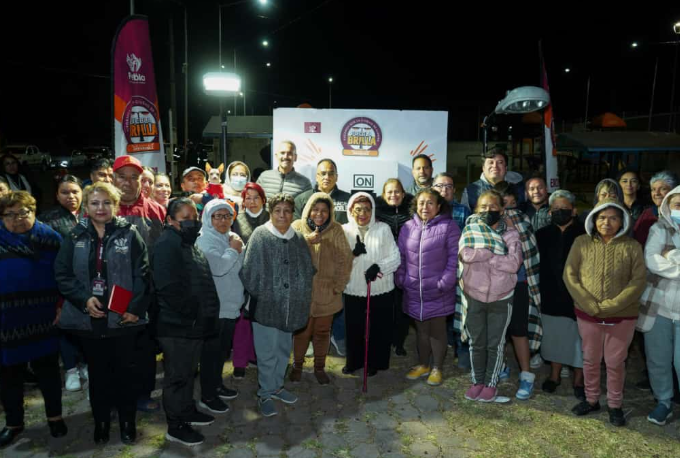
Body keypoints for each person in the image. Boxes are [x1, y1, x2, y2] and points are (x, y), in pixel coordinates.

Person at [55, 182, 150, 445]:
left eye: (107, 202)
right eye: (95, 203)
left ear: (115, 206)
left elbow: (142, 273)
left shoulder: (130, 233)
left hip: (123, 318)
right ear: (86, 206)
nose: (101, 208)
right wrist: (83, 299)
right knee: (98, 375)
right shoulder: (74, 236)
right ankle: (102, 423)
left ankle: (128, 423)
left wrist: (134, 309)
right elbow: (62, 274)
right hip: (90, 318)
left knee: (125, 374)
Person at [563, 198, 646, 427]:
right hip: (587, 313)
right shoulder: (581, 242)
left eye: (613, 218)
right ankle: (591, 400)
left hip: (622, 316)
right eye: (601, 217)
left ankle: (615, 405)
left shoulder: (632, 247)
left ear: (622, 222)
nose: (606, 223)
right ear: (593, 220)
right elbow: (570, 275)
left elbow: (638, 281)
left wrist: (612, 306)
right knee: (590, 359)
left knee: (615, 362)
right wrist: (589, 304)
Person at [0, 191, 67, 446]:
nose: (17, 219)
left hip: (44, 316)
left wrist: (61, 305)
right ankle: (14, 423)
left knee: (48, 371)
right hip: (7, 320)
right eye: (9, 214)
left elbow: (65, 274)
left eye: (23, 212)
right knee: (9, 376)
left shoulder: (51, 239)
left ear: (34, 211)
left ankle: (55, 418)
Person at [240, 193, 316, 417]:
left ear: (293, 214)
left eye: (287, 211)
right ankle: (264, 392)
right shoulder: (260, 235)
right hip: (266, 307)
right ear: (270, 212)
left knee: (283, 349)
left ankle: (277, 386)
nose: (282, 215)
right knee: (266, 352)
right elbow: (249, 272)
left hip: (290, 308)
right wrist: (267, 294)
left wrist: (299, 296)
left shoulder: (298, 238)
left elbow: (307, 270)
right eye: (277, 211)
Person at [153, 198, 220, 446]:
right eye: (185, 218)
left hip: (192, 325)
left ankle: (187, 410)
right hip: (177, 326)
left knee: (189, 373)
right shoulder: (166, 244)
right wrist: (191, 314)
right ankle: (176, 425)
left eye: (194, 217)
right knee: (177, 376)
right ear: (171, 220)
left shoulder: (187, 243)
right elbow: (167, 288)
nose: (192, 222)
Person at [112, 155, 165, 413]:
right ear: (113, 179)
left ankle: (143, 394)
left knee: (144, 346)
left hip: (147, 291)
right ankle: (116, 396)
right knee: (116, 346)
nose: (128, 182)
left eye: (134, 177)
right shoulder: (103, 209)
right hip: (115, 291)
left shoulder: (155, 210)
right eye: (122, 177)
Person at [459, 190, 523, 403]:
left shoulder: (511, 235)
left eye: (493, 207)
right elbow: (465, 254)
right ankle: (477, 381)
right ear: (476, 210)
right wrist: (489, 253)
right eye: (483, 207)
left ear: (502, 210)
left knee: (495, 343)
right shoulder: (470, 229)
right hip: (474, 294)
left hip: (501, 297)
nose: (488, 211)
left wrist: (489, 257)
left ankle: (490, 383)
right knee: (476, 342)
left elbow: (514, 264)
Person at [396, 189, 460, 386]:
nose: (425, 207)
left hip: (438, 290)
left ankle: (437, 368)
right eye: (421, 203)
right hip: (414, 290)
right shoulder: (407, 227)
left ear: (438, 206)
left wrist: (444, 283)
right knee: (421, 331)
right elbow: (401, 256)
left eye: (430, 203)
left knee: (437, 331)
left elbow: (455, 258)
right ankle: (423, 365)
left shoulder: (449, 227)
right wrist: (401, 278)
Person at [291, 192, 353, 384]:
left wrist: (339, 285)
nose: (319, 214)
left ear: (330, 212)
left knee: (322, 332)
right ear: (308, 210)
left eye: (324, 210)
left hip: (328, 293)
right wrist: (306, 240)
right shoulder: (297, 227)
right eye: (315, 209)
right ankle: (297, 366)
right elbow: (287, 252)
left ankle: (319, 367)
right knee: (302, 333)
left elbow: (345, 259)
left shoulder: (336, 230)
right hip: (302, 293)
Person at [342, 192, 401, 376]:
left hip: (380, 288)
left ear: (373, 210)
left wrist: (379, 267)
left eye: (367, 209)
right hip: (353, 288)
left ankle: (376, 362)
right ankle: (354, 361)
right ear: (351, 210)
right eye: (358, 209)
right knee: (354, 328)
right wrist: (352, 254)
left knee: (379, 328)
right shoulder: (343, 230)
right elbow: (337, 261)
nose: (363, 213)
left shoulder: (383, 229)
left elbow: (395, 257)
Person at [38, 175, 88, 392]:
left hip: (88, 281)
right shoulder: (47, 220)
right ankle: (70, 368)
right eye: (65, 192)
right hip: (61, 282)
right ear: (57, 196)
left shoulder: (91, 212)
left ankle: (85, 363)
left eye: (75, 191)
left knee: (86, 324)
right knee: (65, 325)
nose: (71, 196)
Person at [535, 190, 586, 400]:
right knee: (554, 336)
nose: (559, 212)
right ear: (549, 212)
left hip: (578, 295)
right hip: (550, 294)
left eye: (564, 208)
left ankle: (579, 379)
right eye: (555, 209)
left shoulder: (585, 234)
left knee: (579, 339)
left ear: (574, 210)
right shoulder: (542, 234)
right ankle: (554, 375)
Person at [637, 185, 680, 426]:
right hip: (658, 309)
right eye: (677, 205)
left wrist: (670, 255)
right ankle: (664, 401)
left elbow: (662, 260)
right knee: (658, 359)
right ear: (668, 207)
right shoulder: (659, 229)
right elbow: (652, 261)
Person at [195, 199, 242, 414]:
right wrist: (233, 250)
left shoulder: (230, 237)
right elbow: (220, 268)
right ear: (208, 218)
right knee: (211, 354)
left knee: (221, 352)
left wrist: (235, 247)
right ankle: (208, 396)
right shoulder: (204, 240)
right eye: (218, 216)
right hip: (215, 308)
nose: (223, 220)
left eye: (227, 216)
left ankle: (217, 384)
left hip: (230, 304)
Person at [230, 182, 268, 379]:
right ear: (243, 201)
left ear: (263, 199)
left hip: (267, 277)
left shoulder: (271, 218)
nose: (252, 202)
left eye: (256, 197)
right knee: (242, 322)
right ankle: (239, 361)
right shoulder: (237, 220)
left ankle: (256, 356)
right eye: (248, 198)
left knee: (262, 320)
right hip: (242, 276)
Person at [375, 178, 413, 357]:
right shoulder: (376, 211)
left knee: (401, 306)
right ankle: (384, 338)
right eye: (389, 192)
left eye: (397, 191)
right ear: (384, 194)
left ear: (403, 194)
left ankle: (399, 341)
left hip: (406, 265)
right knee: (384, 306)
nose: (393, 195)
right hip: (384, 265)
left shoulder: (412, 211)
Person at [294, 159, 351, 224]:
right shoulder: (301, 200)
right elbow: (296, 226)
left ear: (336, 177)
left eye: (331, 174)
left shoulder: (348, 200)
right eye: (323, 174)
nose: (327, 177)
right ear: (316, 177)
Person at [635, 171, 679, 246]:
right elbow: (637, 242)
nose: (657, 193)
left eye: (663, 189)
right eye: (653, 189)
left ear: (673, 191)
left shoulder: (678, 215)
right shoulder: (647, 214)